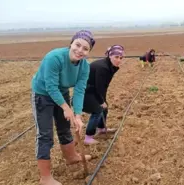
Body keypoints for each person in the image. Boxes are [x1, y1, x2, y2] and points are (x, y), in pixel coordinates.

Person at [31, 30, 95, 185]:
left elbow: (79, 90)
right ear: (71, 44)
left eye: (85, 48)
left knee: (65, 127)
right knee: (45, 134)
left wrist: (78, 115)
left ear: (88, 52)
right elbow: (51, 86)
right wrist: (66, 108)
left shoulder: (84, 67)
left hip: (62, 92)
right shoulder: (55, 57)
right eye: (77, 45)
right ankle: (45, 178)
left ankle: (71, 157)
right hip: (43, 94)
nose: (80, 50)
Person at [82, 45, 125, 144]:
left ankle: (101, 128)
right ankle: (88, 137)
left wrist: (103, 100)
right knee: (97, 110)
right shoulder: (103, 68)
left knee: (105, 107)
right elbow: (98, 87)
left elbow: (102, 86)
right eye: (116, 57)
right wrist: (101, 101)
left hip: (93, 89)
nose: (119, 60)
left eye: (121, 58)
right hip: (85, 91)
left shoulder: (109, 66)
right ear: (110, 56)